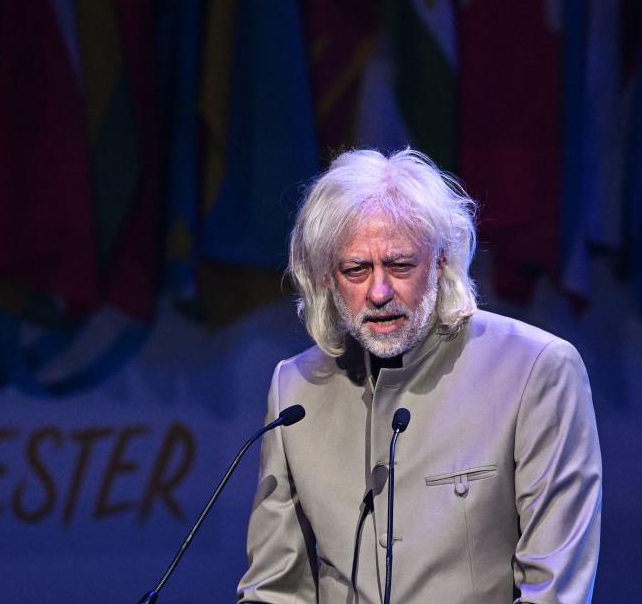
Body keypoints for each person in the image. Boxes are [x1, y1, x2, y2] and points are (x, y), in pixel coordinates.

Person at [237, 149, 602, 603]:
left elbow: (555, 591)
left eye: (400, 264)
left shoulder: (537, 369)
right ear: (326, 278)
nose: (379, 291)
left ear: (442, 260)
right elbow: (274, 591)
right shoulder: (294, 389)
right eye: (356, 269)